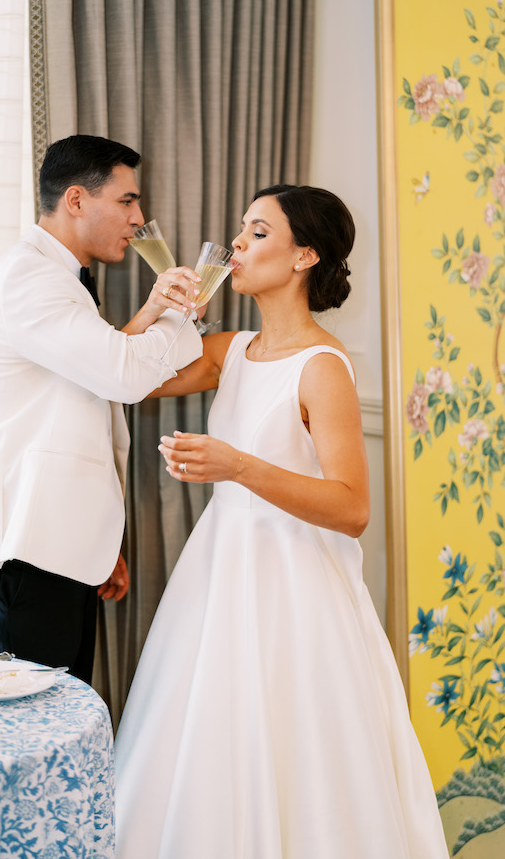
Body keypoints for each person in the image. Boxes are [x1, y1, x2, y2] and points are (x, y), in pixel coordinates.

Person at [114, 185, 450, 858]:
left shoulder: (322, 366)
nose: (237, 243)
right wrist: (164, 312)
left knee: (300, 755)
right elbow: (124, 375)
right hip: (220, 577)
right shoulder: (230, 349)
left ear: (304, 255)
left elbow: (351, 507)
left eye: (258, 232)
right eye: (240, 230)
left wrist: (238, 467)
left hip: (297, 590)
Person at [0, 134, 204, 683]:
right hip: (25, 549)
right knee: (26, 740)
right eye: (127, 202)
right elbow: (123, 374)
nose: (139, 218)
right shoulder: (30, 279)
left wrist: (98, 546)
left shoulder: (56, 278)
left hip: (58, 546)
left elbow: (86, 386)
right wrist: (180, 314)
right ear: (76, 200)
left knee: (58, 728)